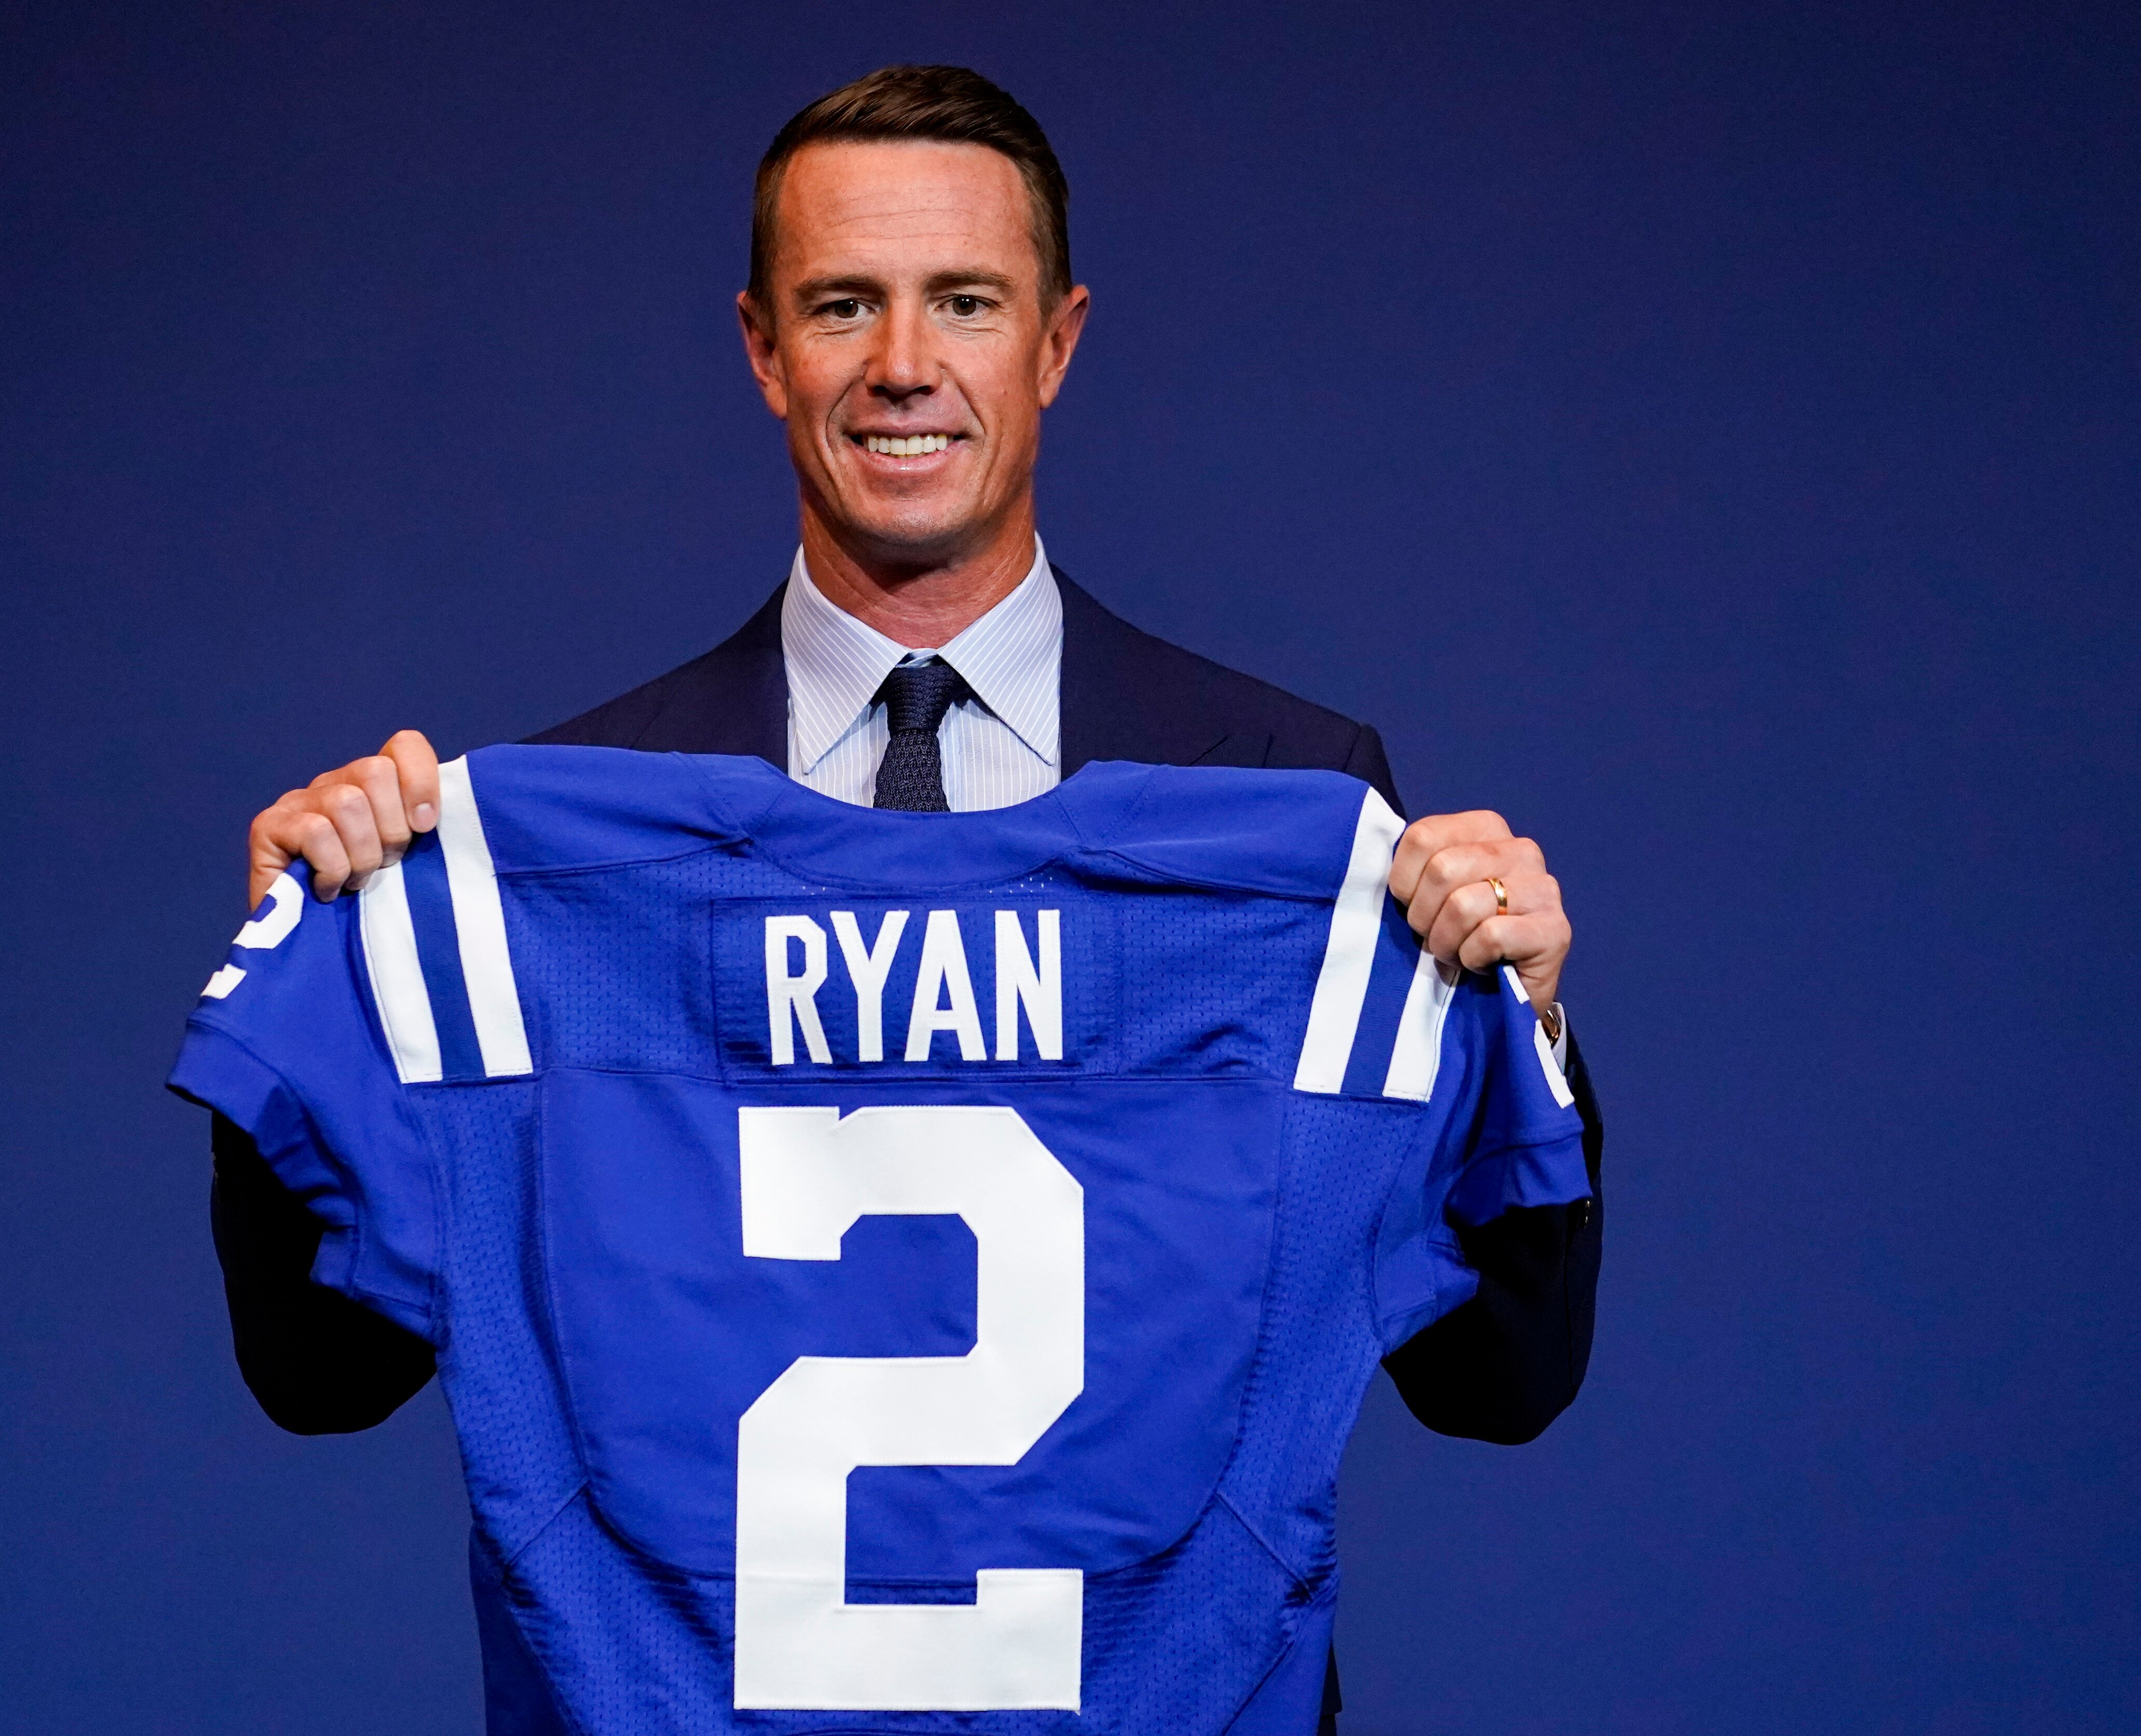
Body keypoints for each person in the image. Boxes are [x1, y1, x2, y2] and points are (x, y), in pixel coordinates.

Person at [206, 64, 1601, 1733]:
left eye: (966, 302)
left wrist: (1528, 1016)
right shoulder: (549, 861)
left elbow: (1504, 1385)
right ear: (760, 347)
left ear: (1059, 341)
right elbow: (320, 1379)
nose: (904, 366)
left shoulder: (1295, 808)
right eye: (843, 304)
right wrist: (319, 973)